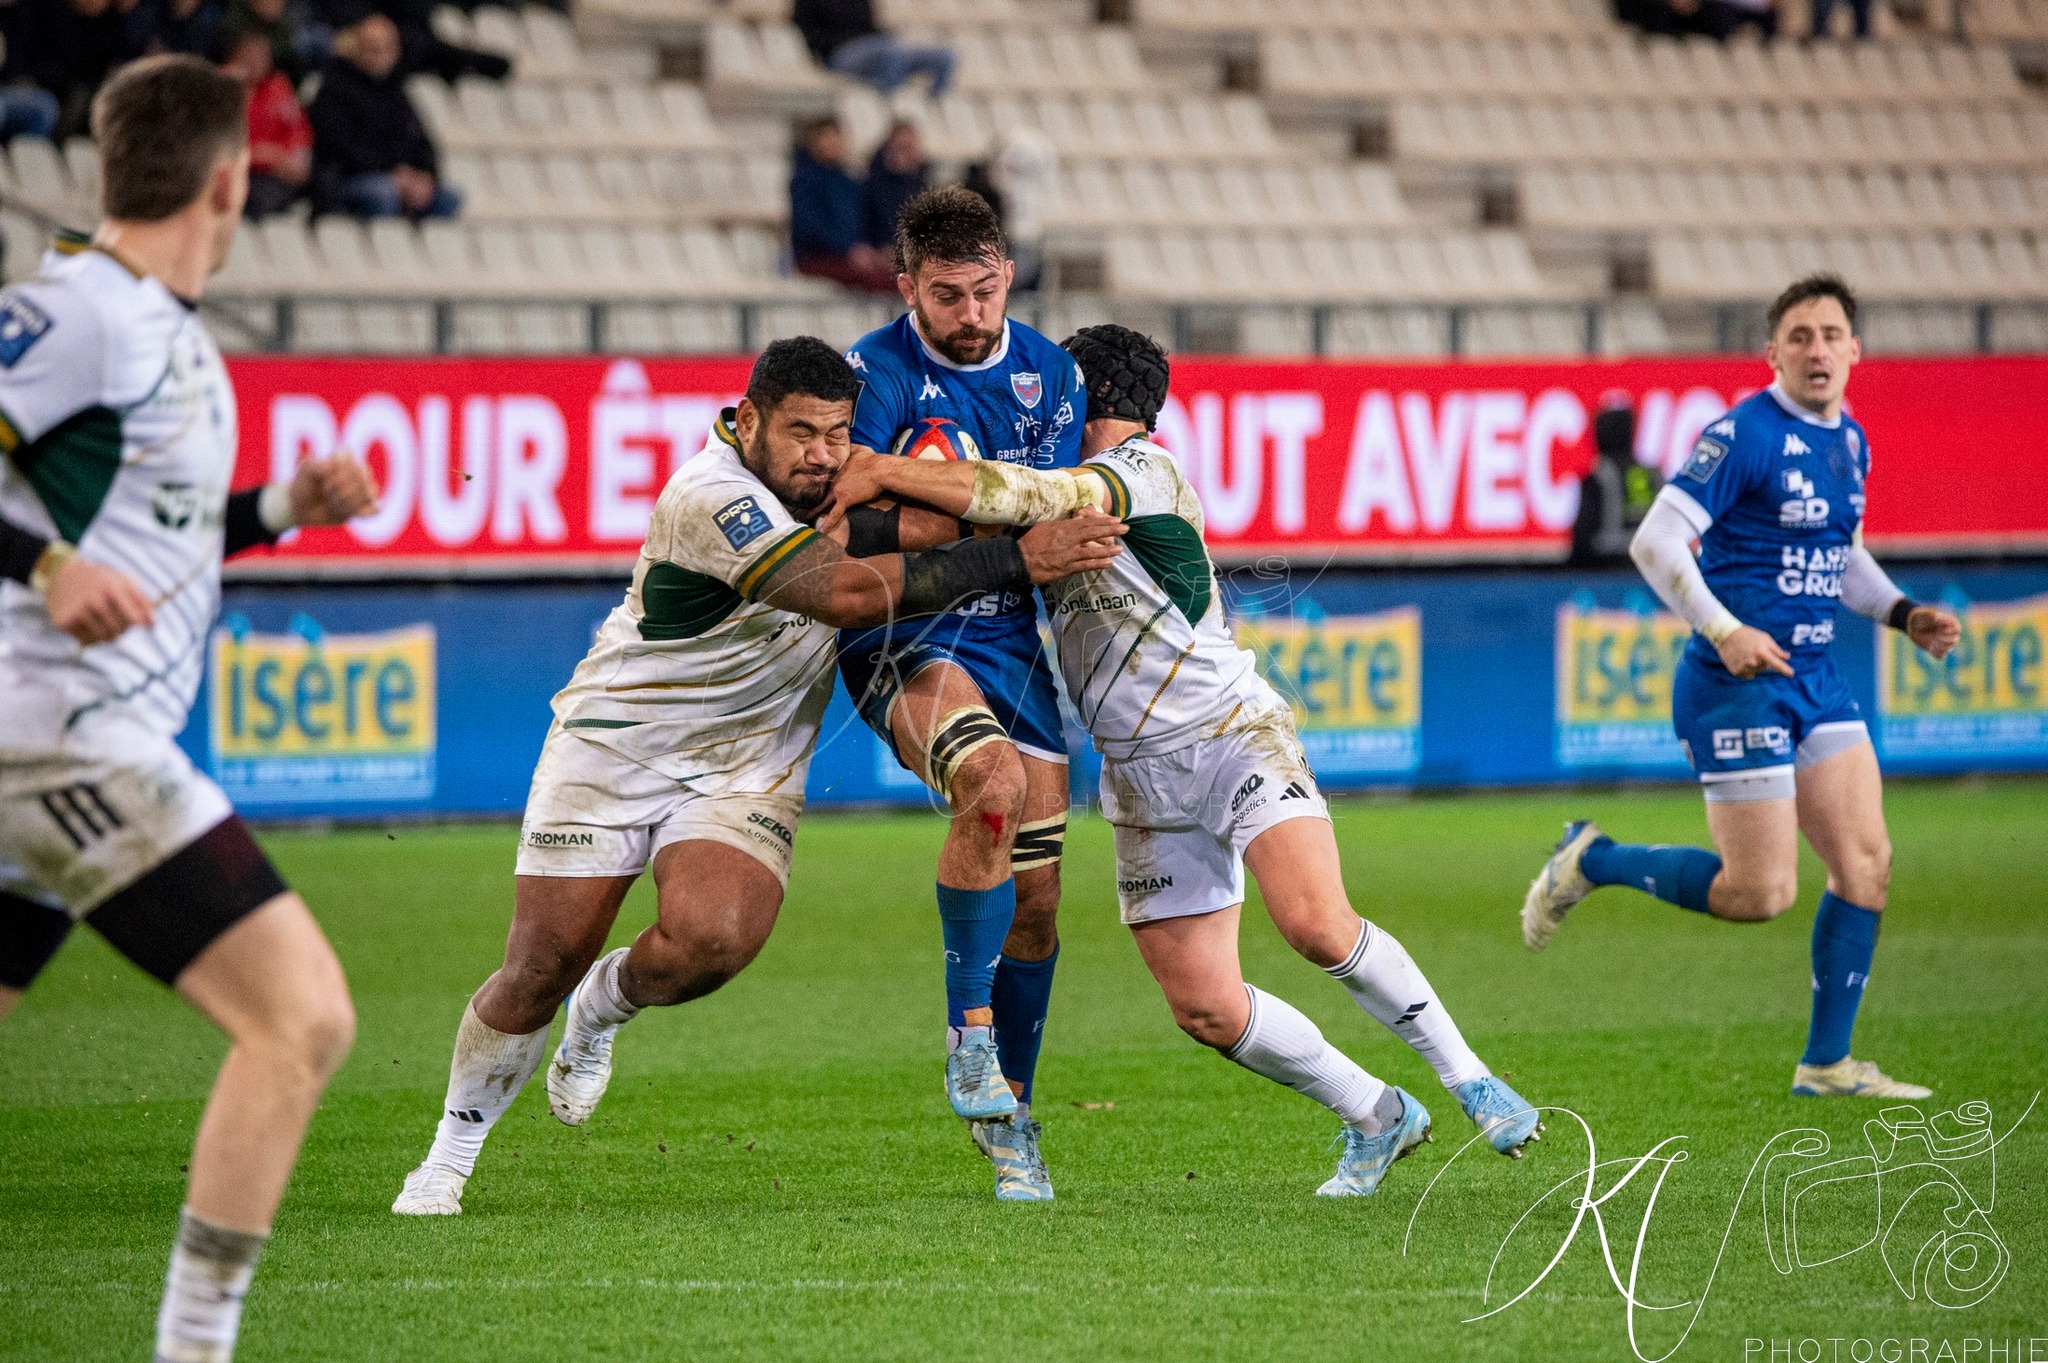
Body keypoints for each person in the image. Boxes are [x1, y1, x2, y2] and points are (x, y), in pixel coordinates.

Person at [390, 339, 1122, 1217]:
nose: (820, 452)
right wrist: (1021, 558)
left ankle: (605, 1005)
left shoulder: (837, 485)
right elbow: (845, 594)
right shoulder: (711, 494)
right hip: (619, 742)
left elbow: (927, 529)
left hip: (747, 762)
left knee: (717, 939)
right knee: (539, 963)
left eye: (837, 433)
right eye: (800, 432)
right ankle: (447, 1157)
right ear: (747, 423)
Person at [821, 325, 1544, 1196]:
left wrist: (882, 465)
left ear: (1084, 399)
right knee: (1205, 1005)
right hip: (1137, 775)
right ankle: (1376, 1113)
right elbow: (984, 523)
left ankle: (1473, 1079)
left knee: (1315, 922)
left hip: (1230, 733)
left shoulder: (1140, 473)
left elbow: (1021, 490)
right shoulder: (1057, 504)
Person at [0, 55, 377, 1361]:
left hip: (59, 741)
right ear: (231, 176)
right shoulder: (84, 311)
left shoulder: (159, 329)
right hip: (52, 724)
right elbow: (60, 541)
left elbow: (147, 531)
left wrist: (281, 510)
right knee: (301, 1015)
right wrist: (45, 567)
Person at [1522, 275, 1962, 1100]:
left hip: (1814, 677)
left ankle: (1826, 1063)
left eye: (1832, 334)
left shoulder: (1852, 442)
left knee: (1866, 863)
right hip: (1734, 682)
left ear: (1856, 349)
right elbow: (1656, 542)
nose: (1818, 348)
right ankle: (1595, 857)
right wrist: (1724, 629)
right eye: (1799, 336)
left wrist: (1902, 613)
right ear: (1773, 353)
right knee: (1759, 892)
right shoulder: (1745, 435)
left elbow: (1840, 559)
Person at [830, 186, 1089, 1201]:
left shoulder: (1051, 373)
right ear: (907, 289)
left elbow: (1056, 517)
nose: (971, 314)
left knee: (1038, 899)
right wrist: (988, 538)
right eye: (947, 296)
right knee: (987, 784)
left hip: (1011, 640)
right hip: (903, 627)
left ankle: (1011, 1118)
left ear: (1006, 277)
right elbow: (847, 527)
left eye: (984, 291)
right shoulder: (873, 373)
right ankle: (965, 1035)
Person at [307, 13, 459, 220]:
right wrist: (390, 173)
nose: (380, 56)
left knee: (446, 198)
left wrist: (422, 175)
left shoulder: (396, 92)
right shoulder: (335, 89)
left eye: (387, 48)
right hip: (351, 179)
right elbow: (337, 146)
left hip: (395, 178)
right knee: (382, 194)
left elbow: (421, 142)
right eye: (373, 48)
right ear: (358, 49)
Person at [790, 117, 895, 294]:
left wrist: (879, 248)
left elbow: (867, 222)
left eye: (836, 138)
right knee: (874, 279)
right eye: (826, 138)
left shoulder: (851, 182)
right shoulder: (804, 181)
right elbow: (809, 227)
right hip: (818, 258)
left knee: (899, 276)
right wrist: (849, 249)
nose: (832, 144)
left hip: (852, 256)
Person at [221, 29, 308, 218]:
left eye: (263, 55)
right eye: (252, 54)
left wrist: (295, 161)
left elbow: (298, 131)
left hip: (272, 175)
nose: (258, 61)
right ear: (237, 56)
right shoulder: (221, 88)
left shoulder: (279, 87)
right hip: (233, 172)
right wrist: (257, 155)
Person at [1568, 394, 1661, 568]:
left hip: (1607, 571)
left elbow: (1581, 539)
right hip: (1651, 570)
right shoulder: (1653, 474)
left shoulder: (1598, 477)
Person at [792, 0, 952, 98]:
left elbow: (870, 25)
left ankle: (934, 102)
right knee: (894, 54)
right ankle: (889, 100)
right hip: (839, 53)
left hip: (872, 47)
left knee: (944, 56)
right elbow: (806, 31)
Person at [862, 118, 925, 255]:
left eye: (910, 148)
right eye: (901, 148)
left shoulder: (920, 184)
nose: (906, 155)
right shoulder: (872, 185)